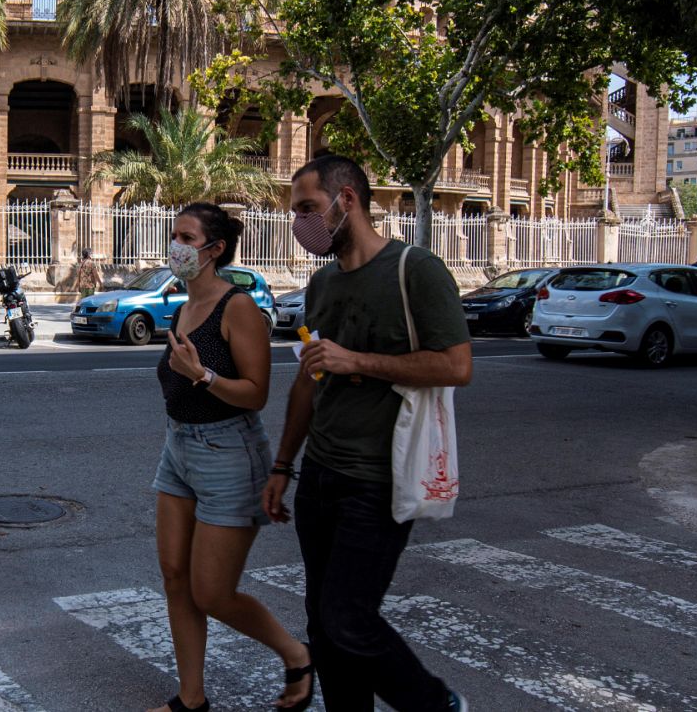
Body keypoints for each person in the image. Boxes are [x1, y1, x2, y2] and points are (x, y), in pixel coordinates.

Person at [262, 156, 472, 712]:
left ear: (346, 200)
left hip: (378, 479)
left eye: (308, 208)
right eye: (295, 212)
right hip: (321, 478)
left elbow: (455, 366)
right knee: (324, 624)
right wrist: (284, 465)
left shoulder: (415, 269)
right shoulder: (322, 283)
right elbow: (309, 382)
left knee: (348, 620)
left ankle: (434, 703)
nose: (300, 222)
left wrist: (358, 360)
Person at [151, 203, 314, 712]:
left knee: (212, 593)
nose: (175, 245)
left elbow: (256, 393)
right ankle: (191, 699)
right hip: (179, 448)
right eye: (173, 234)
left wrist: (202, 375)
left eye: (186, 237)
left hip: (228, 451)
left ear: (214, 250)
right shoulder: (181, 306)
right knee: (174, 575)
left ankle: (297, 656)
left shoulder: (238, 306)